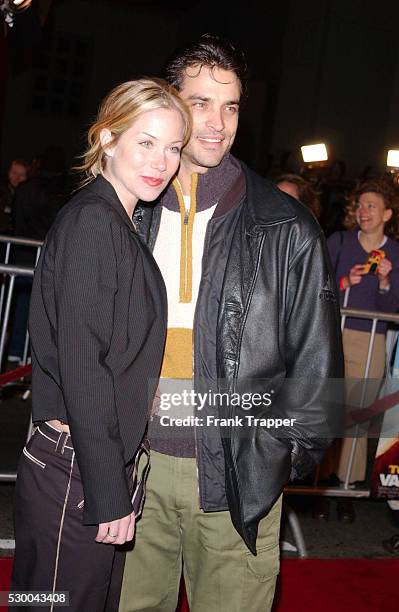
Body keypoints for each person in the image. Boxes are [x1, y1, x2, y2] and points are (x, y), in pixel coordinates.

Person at [119, 35, 343, 612]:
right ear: (169, 103)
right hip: (133, 473)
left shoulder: (285, 226)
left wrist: (271, 460)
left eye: (232, 106)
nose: (218, 124)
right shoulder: (125, 211)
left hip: (238, 479)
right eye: (200, 103)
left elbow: (317, 374)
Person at [11, 78, 191, 611]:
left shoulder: (121, 218)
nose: (162, 160)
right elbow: (83, 364)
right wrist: (108, 490)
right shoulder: (95, 220)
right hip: (77, 470)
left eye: (173, 147)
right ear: (107, 139)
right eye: (145, 142)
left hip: (84, 463)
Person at [324, 178, 399, 522]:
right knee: (326, 407)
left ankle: (346, 488)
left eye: (372, 205)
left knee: (357, 413)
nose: (363, 211)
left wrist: (384, 281)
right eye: (360, 205)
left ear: (387, 213)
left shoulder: (395, 252)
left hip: (371, 338)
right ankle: (317, 481)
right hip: (331, 334)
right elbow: (316, 287)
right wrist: (344, 283)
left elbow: (394, 305)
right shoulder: (339, 243)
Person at [0, 158, 29, 232]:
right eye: (14, 173)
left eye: (21, 175)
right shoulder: (2, 192)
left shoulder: (29, 196)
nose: (17, 178)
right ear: (9, 173)